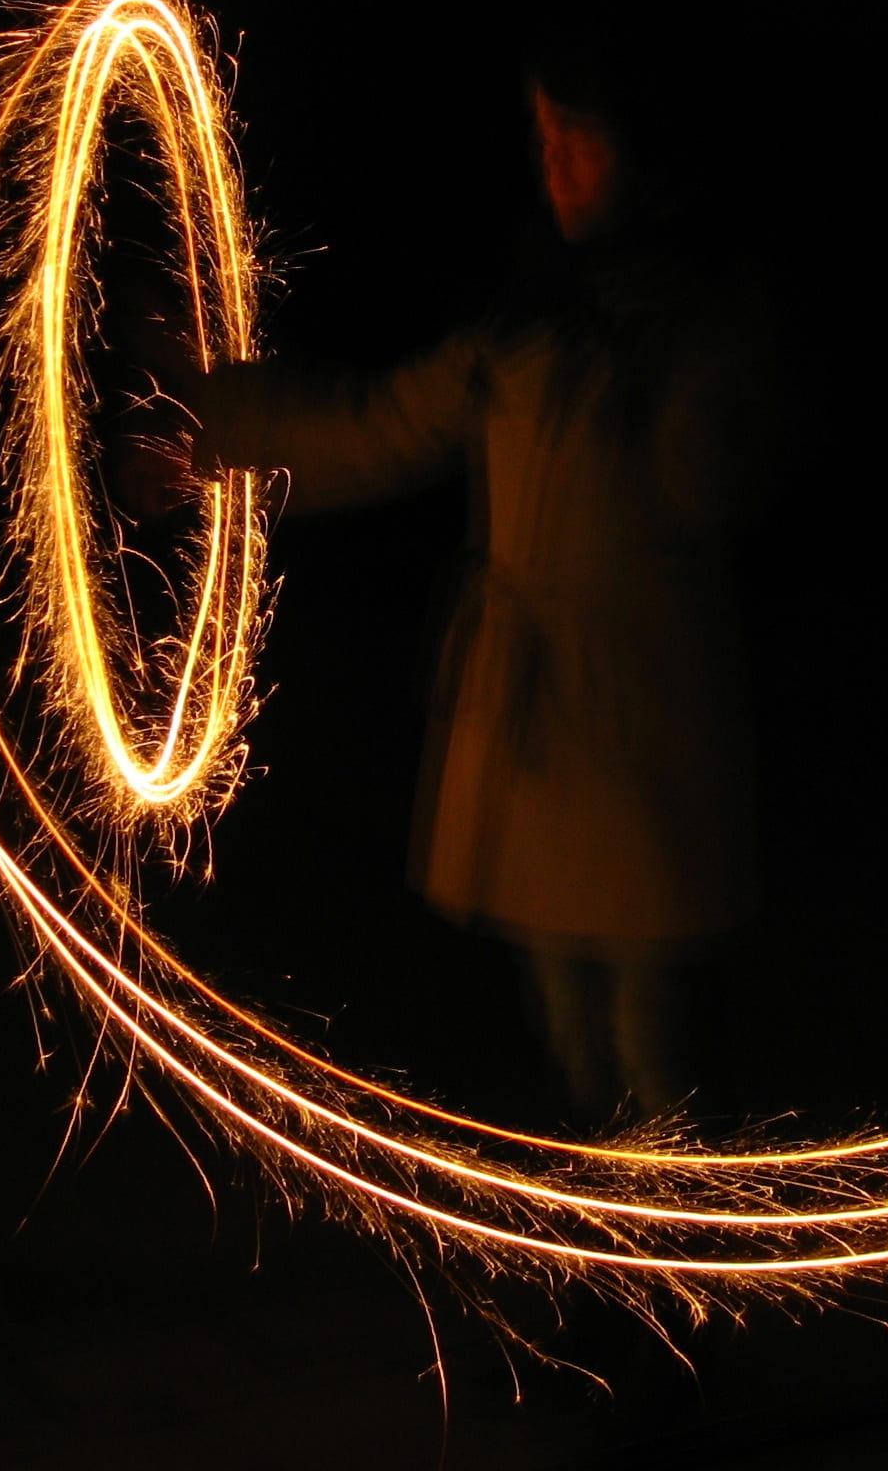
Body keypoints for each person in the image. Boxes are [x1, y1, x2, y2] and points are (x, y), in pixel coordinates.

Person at [136, 57, 772, 1120]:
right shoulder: (520, 327)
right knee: (561, 1001)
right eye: (543, 143)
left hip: (631, 704)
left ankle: (666, 1220)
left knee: (639, 1012)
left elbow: (712, 490)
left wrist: (668, 374)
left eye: (581, 140)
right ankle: (605, 1203)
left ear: (647, 161)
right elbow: (375, 425)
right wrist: (204, 427)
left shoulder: (703, 326)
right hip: (530, 708)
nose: (556, 166)